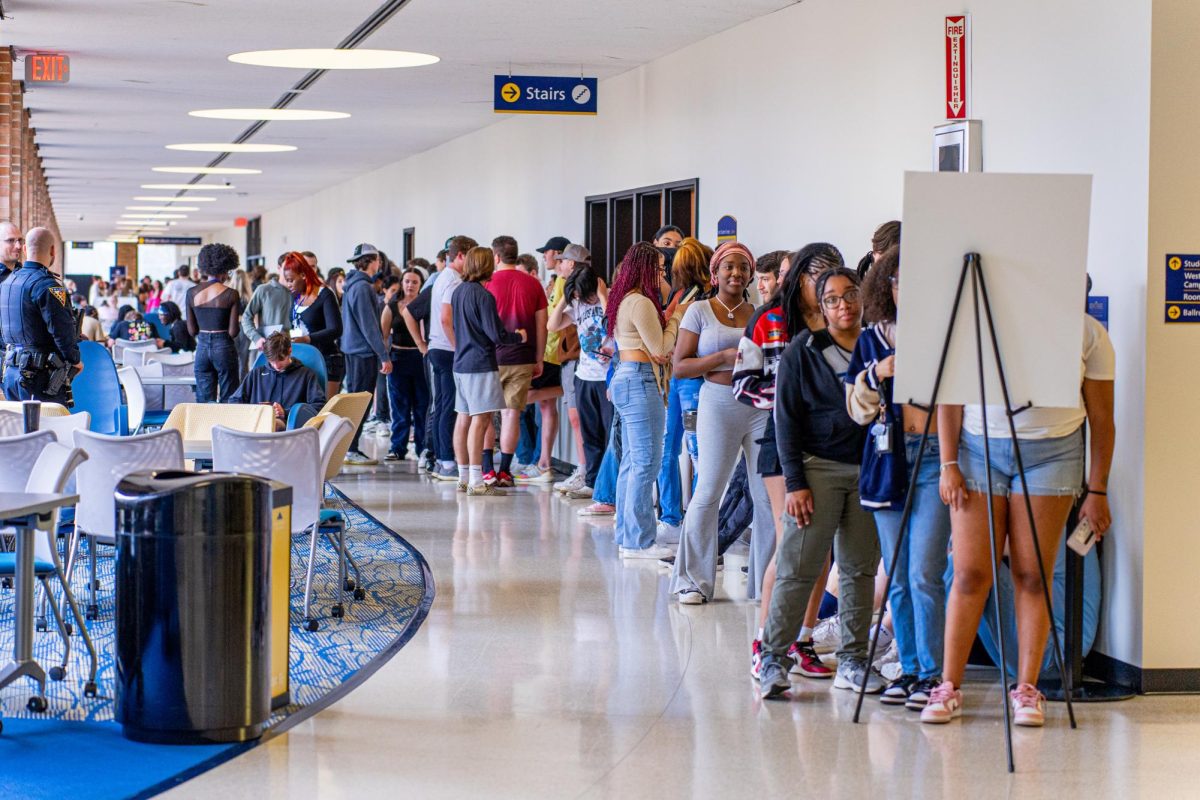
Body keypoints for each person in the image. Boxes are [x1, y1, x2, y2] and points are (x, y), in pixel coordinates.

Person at [923, 287, 1116, 727]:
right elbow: (949, 397)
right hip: (978, 448)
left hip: (1052, 453)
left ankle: (1027, 689)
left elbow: (1103, 419)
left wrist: (1097, 489)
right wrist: (948, 462)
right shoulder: (977, 324)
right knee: (972, 571)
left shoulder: (1089, 334)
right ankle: (948, 685)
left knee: (1032, 573)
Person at [759, 267, 882, 700]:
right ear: (821, 306)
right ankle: (773, 659)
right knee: (799, 567)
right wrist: (795, 482)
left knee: (859, 569)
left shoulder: (878, 346)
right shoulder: (803, 350)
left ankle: (852, 659)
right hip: (816, 471)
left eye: (850, 295)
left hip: (868, 472)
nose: (843, 305)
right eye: (832, 299)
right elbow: (784, 419)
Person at [845, 248, 952, 709]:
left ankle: (933, 675)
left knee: (924, 570)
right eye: (898, 282)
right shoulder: (872, 339)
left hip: (934, 458)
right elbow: (855, 409)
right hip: (888, 459)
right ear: (887, 288)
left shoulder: (948, 337)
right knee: (899, 576)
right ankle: (909, 669)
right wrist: (875, 373)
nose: (907, 291)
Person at [738, 244, 842, 680]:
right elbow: (743, 385)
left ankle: (803, 637)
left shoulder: (838, 321)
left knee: (819, 554)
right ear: (797, 278)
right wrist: (791, 403)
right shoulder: (768, 320)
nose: (822, 289)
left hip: (832, 448)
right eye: (813, 279)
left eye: (829, 280)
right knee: (793, 547)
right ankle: (767, 640)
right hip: (784, 446)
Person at [669, 241, 775, 604]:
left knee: (766, 496)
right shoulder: (699, 310)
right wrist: (724, 357)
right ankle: (692, 581)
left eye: (743, 268)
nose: (736, 273)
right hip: (717, 402)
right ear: (715, 273)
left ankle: (765, 584)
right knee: (708, 490)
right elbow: (680, 365)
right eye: (729, 267)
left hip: (759, 406)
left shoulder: (759, 312)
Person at [608, 242, 690, 559]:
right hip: (640, 380)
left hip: (628, 378)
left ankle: (628, 536)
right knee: (646, 463)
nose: (662, 273)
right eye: (657, 268)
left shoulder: (625, 298)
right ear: (644, 270)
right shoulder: (640, 302)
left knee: (632, 462)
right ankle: (640, 541)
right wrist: (676, 319)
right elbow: (660, 349)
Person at [450, 246, 527, 496]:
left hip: (460, 364)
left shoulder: (459, 292)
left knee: (463, 418)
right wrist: (519, 337)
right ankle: (476, 478)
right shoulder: (483, 296)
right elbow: (497, 334)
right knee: (481, 420)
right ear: (486, 266)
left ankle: (462, 476)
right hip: (480, 364)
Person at [656, 238, 713, 538]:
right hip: (682, 378)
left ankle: (686, 520)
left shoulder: (698, 297)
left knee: (692, 450)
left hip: (690, 380)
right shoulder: (692, 295)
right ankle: (677, 518)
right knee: (679, 448)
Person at [547, 250, 611, 498]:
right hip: (584, 376)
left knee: (609, 435)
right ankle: (593, 483)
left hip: (606, 376)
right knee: (590, 434)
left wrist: (603, 295)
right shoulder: (577, 303)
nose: (580, 298)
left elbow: (613, 324)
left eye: (582, 294)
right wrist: (565, 298)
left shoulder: (607, 300)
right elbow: (552, 325)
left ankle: (608, 486)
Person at [486, 235, 547, 485]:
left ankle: (488, 469)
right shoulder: (533, 284)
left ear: (496, 257)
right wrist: (539, 357)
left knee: (486, 414)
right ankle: (505, 471)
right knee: (512, 414)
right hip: (523, 356)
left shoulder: (487, 283)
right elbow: (542, 325)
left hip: (491, 357)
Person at [0, 228, 81, 403]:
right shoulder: (48, 286)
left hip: (11, 374)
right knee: (49, 428)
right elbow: (62, 331)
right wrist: (74, 359)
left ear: (24, 250)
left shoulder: (8, 283)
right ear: (53, 250)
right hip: (39, 378)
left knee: (18, 428)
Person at [515, 235, 572, 484]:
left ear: (558, 254)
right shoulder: (556, 281)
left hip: (553, 353)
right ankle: (544, 463)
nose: (544, 257)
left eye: (546, 253)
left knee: (525, 398)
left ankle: (544, 462)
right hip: (548, 351)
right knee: (546, 407)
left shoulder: (562, 281)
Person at [426, 235, 477, 481]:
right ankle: (447, 460)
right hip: (447, 349)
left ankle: (440, 457)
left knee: (443, 405)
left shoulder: (442, 278)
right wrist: (460, 348)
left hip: (439, 347)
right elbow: (447, 318)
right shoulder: (453, 281)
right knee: (449, 406)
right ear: (460, 256)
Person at [340, 243, 393, 466]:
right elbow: (369, 326)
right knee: (360, 402)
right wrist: (383, 355)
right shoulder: (362, 288)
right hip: (362, 352)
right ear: (372, 261)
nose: (379, 264)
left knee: (356, 400)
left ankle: (350, 447)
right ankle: (350, 448)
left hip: (353, 350)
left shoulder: (354, 285)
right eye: (378, 260)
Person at [228, 331, 325, 430]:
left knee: (272, 424)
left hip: (287, 426)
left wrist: (286, 412)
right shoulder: (256, 373)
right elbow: (234, 400)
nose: (276, 366)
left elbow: (319, 406)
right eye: (272, 362)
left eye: (281, 360)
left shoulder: (306, 375)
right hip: (254, 423)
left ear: (289, 351)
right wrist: (253, 411)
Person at [381, 268, 429, 461]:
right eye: (407, 281)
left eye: (414, 282)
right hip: (398, 359)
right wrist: (385, 359)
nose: (410, 285)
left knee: (422, 405)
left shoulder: (425, 305)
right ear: (402, 283)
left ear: (420, 285)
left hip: (420, 359)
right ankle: (397, 447)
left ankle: (422, 448)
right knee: (400, 406)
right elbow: (384, 337)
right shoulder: (391, 306)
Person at [281, 251, 342, 400]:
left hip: (327, 360)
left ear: (303, 275)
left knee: (325, 411)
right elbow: (296, 325)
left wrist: (307, 339)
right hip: (302, 360)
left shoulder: (325, 294)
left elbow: (336, 329)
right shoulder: (295, 295)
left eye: (291, 280)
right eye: (286, 280)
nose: (288, 284)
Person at [186, 243, 243, 403]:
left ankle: (205, 427)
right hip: (224, 347)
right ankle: (226, 428)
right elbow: (233, 332)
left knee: (204, 399)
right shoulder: (231, 294)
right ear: (225, 269)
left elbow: (191, 330)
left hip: (202, 348)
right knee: (229, 397)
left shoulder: (192, 293)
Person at [240, 267, 293, 350]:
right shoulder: (263, 290)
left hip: (294, 346)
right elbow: (246, 317)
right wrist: (256, 338)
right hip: (268, 347)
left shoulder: (298, 292)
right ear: (279, 268)